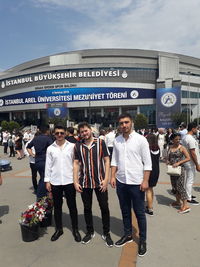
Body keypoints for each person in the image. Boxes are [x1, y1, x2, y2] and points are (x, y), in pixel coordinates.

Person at [110, 113, 152, 257]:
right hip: (121, 182)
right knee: (125, 210)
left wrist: (145, 180)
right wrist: (112, 176)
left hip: (136, 183)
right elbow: (114, 160)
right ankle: (128, 235)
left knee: (139, 213)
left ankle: (143, 240)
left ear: (131, 122)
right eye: (121, 123)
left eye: (126, 122)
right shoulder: (117, 141)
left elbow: (148, 163)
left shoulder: (141, 140)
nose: (124, 125)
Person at [73, 122, 113, 247]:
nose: (84, 133)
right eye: (82, 132)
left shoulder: (100, 143)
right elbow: (75, 164)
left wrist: (107, 178)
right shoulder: (78, 146)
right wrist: (75, 181)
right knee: (87, 208)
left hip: (100, 181)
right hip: (85, 182)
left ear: (90, 130)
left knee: (104, 207)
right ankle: (90, 231)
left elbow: (107, 161)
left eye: (86, 131)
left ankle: (106, 232)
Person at [45, 125, 81, 242]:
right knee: (58, 207)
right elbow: (48, 165)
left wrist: (77, 179)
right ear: (54, 134)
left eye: (61, 133)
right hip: (55, 181)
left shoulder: (72, 146)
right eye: (57, 133)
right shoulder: (50, 148)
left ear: (65, 133)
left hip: (69, 180)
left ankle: (75, 229)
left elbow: (77, 164)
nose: (59, 135)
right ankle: (59, 229)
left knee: (72, 206)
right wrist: (47, 180)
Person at [27, 125, 53, 200]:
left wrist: (32, 154)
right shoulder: (48, 138)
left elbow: (28, 147)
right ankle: (40, 195)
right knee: (44, 178)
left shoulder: (35, 138)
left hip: (37, 160)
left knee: (42, 176)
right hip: (45, 160)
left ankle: (43, 193)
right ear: (47, 130)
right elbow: (53, 148)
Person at [167, 133, 191, 213]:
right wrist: (167, 161)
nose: (178, 141)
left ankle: (186, 205)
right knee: (174, 186)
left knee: (180, 186)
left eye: (179, 139)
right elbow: (168, 158)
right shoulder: (170, 148)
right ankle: (178, 202)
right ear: (172, 140)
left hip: (180, 169)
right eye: (176, 139)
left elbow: (188, 158)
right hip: (172, 170)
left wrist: (179, 162)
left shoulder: (182, 148)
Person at [182, 122, 200, 205]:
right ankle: (188, 197)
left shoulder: (185, 137)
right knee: (190, 180)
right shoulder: (190, 138)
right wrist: (197, 164)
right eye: (196, 128)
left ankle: (188, 194)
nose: (197, 130)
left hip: (187, 161)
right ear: (193, 129)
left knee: (188, 179)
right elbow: (192, 152)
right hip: (191, 162)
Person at [145, 134, 160, 216]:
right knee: (151, 189)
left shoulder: (147, 149)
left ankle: (150, 208)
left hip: (149, 170)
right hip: (156, 170)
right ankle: (149, 204)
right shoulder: (158, 148)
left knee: (148, 190)